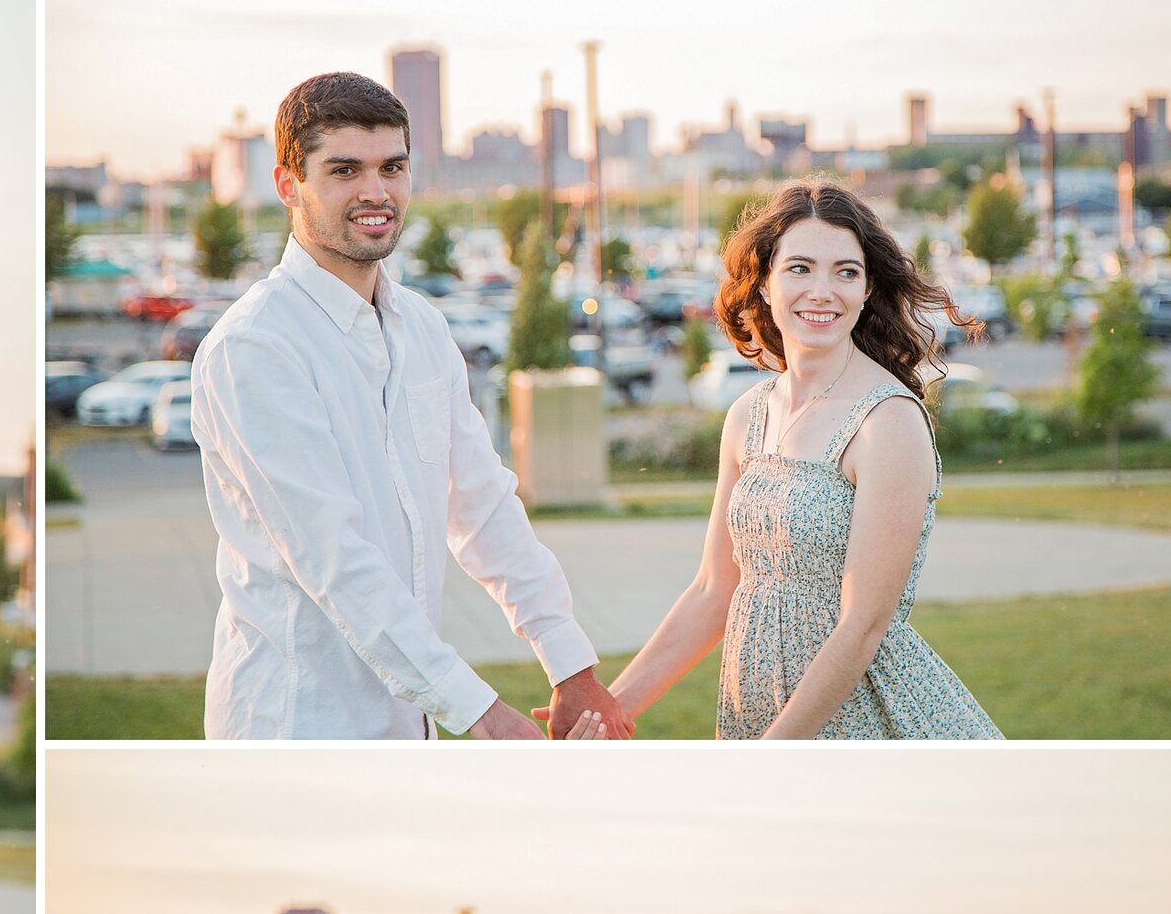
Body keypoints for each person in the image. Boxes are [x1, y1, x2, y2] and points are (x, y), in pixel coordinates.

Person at [193, 71, 629, 743]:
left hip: (408, 726)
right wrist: (480, 711)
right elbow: (335, 561)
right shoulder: (255, 349)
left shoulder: (421, 327)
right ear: (288, 184)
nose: (376, 191)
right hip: (296, 727)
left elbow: (482, 506)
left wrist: (570, 664)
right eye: (344, 170)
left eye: (392, 167)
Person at [599, 181, 1001, 738]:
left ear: (866, 290)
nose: (823, 291)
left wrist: (776, 752)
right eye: (800, 268)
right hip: (754, 714)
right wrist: (608, 708)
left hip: (855, 723)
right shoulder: (748, 415)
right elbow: (716, 590)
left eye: (846, 271)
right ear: (764, 283)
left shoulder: (888, 422)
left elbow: (865, 624)